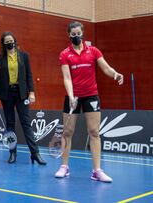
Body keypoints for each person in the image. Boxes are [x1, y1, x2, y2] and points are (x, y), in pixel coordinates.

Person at [55, 21, 124, 183]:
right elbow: (67, 78)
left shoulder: (93, 51)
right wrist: (71, 96)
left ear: (83, 33)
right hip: (73, 97)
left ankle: (97, 171)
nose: (76, 36)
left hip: (91, 96)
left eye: (79, 33)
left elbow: (106, 68)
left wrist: (115, 74)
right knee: (67, 132)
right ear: (69, 35)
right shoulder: (65, 54)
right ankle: (64, 167)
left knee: (94, 132)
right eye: (73, 34)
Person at [0, 31, 47, 165]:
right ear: (4, 44)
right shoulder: (0, 58)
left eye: (11, 41)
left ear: (15, 41)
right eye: (7, 42)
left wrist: (32, 92)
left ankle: (35, 153)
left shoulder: (24, 56)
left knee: (26, 123)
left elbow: (29, 75)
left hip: (22, 94)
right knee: (10, 124)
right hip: (6, 94)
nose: (10, 43)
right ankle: (12, 153)